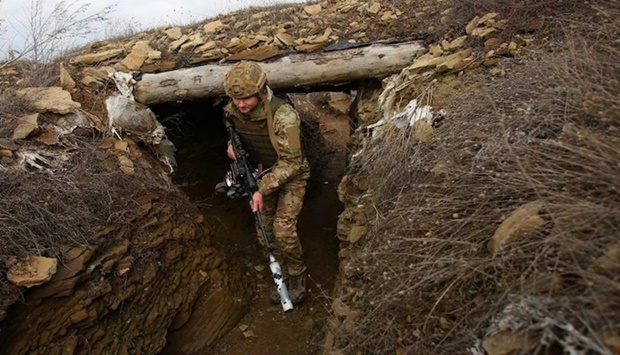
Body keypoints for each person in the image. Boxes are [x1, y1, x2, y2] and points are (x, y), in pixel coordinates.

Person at [222, 61, 310, 305]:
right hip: (261, 173)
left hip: (292, 174)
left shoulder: (284, 116)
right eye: (235, 98)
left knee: (283, 231)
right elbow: (234, 137)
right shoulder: (232, 111)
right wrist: (232, 148)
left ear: (261, 91)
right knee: (264, 233)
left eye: (247, 98)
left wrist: (260, 189)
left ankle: (297, 275)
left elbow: (292, 163)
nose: (241, 104)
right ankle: (279, 272)